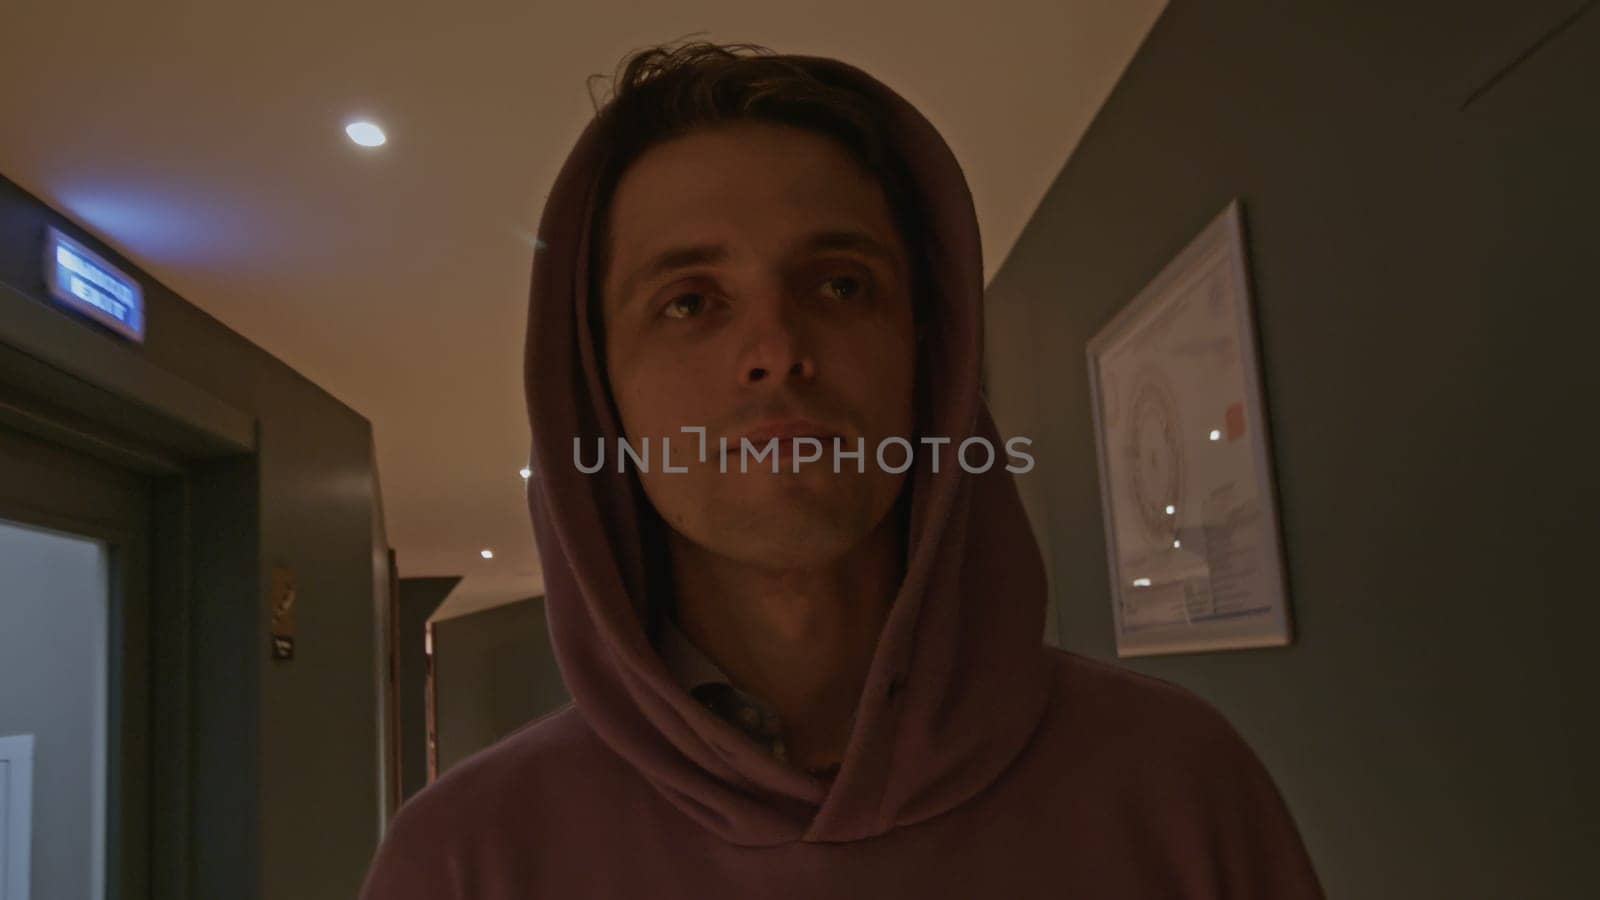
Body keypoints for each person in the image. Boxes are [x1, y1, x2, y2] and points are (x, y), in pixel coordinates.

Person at [360, 41, 1324, 898]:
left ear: (928, 357)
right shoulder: (463, 860)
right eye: (691, 302)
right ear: (597, 392)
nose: (776, 348)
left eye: (839, 283)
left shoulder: (1180, 785)